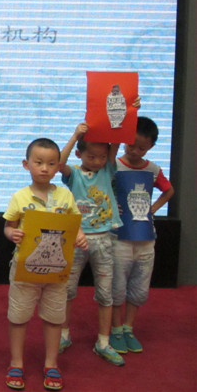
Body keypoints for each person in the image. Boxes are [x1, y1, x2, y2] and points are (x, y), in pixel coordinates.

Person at [3, 138, 87, 391]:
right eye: (38, 162)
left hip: (57, 270)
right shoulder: (20, 196)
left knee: (54, 318)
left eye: (51, 164)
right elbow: (8, 226)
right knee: (19, 317)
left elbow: (75, 224)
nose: (44, 168)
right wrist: (12, 233)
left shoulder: (65, 195)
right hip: (25, 268)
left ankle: (51, 364)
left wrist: (80, 236)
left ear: (58, 166)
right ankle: (16, 363)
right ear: (26, 164)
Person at [58, 121, 128, 366]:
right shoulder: (75, 174)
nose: (97, 161)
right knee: (67, 290)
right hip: (76, 240)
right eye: (91, 156)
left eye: (102, 157)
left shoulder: (107, 171)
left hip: (104, 240)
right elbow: (58, 164)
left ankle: (103, 342)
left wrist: (127, 112)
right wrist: (75, 134)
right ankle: (63, 334)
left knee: (105, 294)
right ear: (79, 154)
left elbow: (116, 139)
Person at [109, 117, 174, 355]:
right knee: (117, 286)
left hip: (146, 238)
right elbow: (101, 189)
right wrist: (111, 207)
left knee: (139, 287)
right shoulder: (114, 166)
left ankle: (128, 328)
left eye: (141, 148)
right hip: (119, 237)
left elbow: (169, 190)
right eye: (131, 145)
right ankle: (116, 329)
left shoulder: (152, 169)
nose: (134, 151)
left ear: (151, 147)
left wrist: (152, 209)